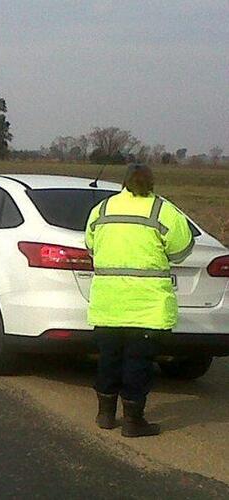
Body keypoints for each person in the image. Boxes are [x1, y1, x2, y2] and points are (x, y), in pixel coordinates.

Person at [85, 164, 194, 438]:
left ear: (123, 183)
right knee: (138, 362)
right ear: (152, 183)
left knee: (108, 358)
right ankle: (133, 422)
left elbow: (90, 245)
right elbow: (182, 250)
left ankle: (105, 415)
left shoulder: (103, 209)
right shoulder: (162, 210)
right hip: (148, 308)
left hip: (108, 304)